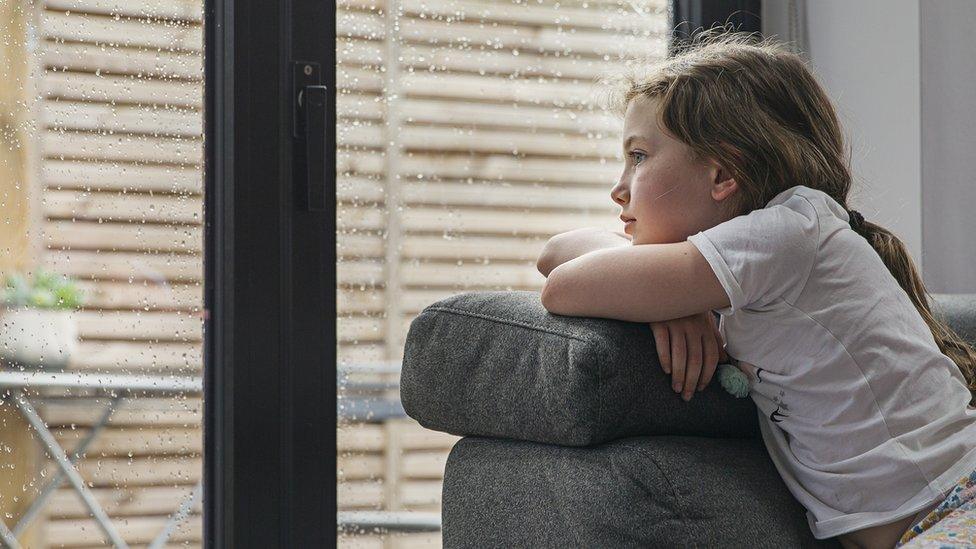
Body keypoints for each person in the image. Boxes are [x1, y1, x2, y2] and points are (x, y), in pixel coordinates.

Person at [543, 28, 976, 548]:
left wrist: (666, 290)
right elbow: (556, 254)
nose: (618, 187)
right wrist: (674, 302)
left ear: (723, 173)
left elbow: (565, 284)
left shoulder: (786, 234)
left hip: (956, 507)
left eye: (638, 156)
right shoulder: (757, 257)